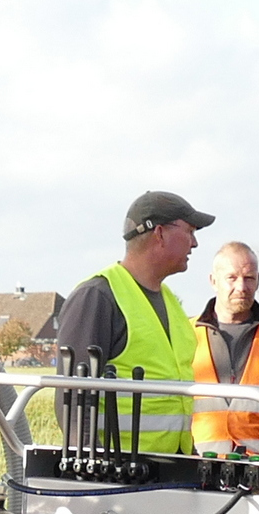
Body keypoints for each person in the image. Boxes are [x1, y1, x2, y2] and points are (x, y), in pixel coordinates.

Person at [55, 191, 212, 455]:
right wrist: (94, 470)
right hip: (118, 469)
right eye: (190, 231)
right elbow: (73, 401)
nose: (195, 243)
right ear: (160, 233)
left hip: (172, 466)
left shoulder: (170, 301)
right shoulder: (98, 296)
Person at [193, 241, 259, 456]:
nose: (241, 287)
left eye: (249, 278)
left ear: (258, 280)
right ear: (213, 281)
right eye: (232, 278)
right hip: (198, 463)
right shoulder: (186, 334)